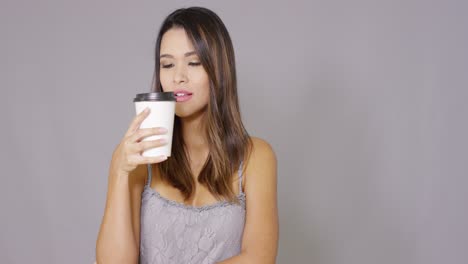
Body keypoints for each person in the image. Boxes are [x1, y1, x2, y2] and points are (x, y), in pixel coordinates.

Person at [96, 6, 278, 264]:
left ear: (219, 70)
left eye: (193, 63)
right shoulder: (138, 157)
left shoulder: (256, 157)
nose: (178, 77)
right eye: (167, 64)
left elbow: (260, 258)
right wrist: (119, 171)